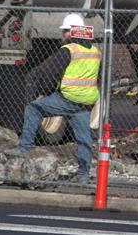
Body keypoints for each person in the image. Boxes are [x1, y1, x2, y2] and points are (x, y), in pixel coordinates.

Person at [15, 13, 100, 183]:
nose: (62, 35)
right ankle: (83, 174)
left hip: (67, 99)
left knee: (33, 108)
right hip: (86, 102)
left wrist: (44, 92)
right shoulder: (95, 51)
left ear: (71, 32)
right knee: (84, 138)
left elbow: (50, 73)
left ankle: (24, 150)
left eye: (64, 32)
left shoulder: (68, 50)